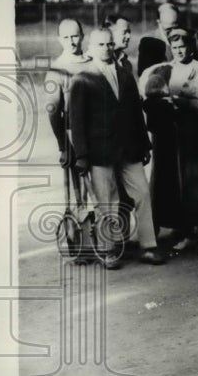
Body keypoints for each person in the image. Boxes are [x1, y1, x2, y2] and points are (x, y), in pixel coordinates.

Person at [68, 28, 164, 268]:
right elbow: (76, 122)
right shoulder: (82, 78)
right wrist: (81, 155)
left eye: (110, 44)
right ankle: (108, 250)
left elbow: (135, 114)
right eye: (101, 45)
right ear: (91, 48)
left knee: (142, 194)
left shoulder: (125, 75)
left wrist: (145, 144)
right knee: (106, 201)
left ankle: (149, 246)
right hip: (100, 153)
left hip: (130, 148)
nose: (107, 49)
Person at [140, 28, 198, 254]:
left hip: (196, 133)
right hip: (173, 135)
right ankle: (187, 233)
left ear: (191, 47)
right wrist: (178, 102)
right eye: (174, 47)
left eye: (183, 46)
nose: (178, 51)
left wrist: (181, 102)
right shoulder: (163, 70)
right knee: (181, 184)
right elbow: (154, 100)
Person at [44, 19, 91, 168]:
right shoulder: (57, 70)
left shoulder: (95, 62)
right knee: (84, 190)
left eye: (74, 36)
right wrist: (64, 146)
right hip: (77, 137)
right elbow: (53, 111)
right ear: (59, 40)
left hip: (104, 135)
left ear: (82, 36)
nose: (70, 42)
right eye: (65, 37)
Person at [137, 2, 179, 75]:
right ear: (159, 22)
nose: (173, 32)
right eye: (168, 29)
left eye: (176, 27)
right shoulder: (149, 41)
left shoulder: (191, 37)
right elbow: (143, 74)